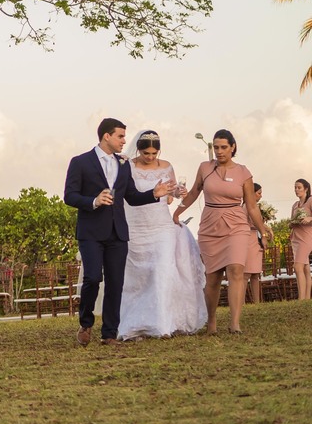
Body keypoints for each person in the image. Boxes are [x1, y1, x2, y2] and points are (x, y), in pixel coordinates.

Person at [64, 118, 173, 346]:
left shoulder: (124, 165)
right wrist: (93, 201)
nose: (125, 141)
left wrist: (154, 194)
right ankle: (86, 323)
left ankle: (109, 334)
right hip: (91, 232)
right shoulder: (80, 162)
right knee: (93, 278)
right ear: (107, 136)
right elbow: (70, 196)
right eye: (120, 136)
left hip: (118, 233)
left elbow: (131, 197)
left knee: (116, 283)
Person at [172, 129, 272, 335]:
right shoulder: (205, 168)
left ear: (233, 147)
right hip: (210, 225)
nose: (219, 151)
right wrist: (177, 212)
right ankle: (211, 322)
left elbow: (252, 206)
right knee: (213, 277)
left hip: (237, 225)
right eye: (216, 147)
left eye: (224, 147)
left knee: (236, 269)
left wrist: (262, 231)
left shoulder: (244, 172)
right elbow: (194, 192)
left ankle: (235, 324)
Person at [118, 130, 207, 339]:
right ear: (138, 149)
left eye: (154, 153)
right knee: (137, 278)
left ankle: (163, 324)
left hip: (162, 227)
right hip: (136, 228)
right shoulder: (127, 165)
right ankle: (135, 321)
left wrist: (178, 192)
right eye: (146, 153)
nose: (150, 157)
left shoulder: (167, 166)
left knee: (162, 271)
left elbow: (171, 194)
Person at [290, 178, 312, 300]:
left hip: (306, 238)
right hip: (296, 238)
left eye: (299, 187)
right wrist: (292, 223)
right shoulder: (294, 205)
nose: (296, 190)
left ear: (306, 189)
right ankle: (307, 299)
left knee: (297, 267)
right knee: (305, 268)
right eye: (295, 187)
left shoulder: (310, 200)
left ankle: (301, 299)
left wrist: (310, 218)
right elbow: (291, 222)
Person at [246, 183, 264, 303]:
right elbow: (252, 223)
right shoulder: (246, 206)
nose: (260, 196)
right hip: (248, 240)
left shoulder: (255, 206)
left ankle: (257, 302)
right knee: (246, 273)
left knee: (255, 274)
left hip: (255, 240)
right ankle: (241, 302)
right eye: (259, 193)